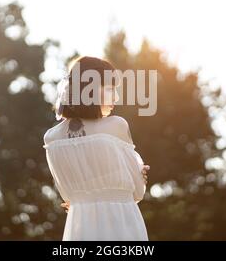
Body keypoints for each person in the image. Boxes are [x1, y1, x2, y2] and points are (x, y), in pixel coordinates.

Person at [43, 56, 150, 240]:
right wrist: (140, 173)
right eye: (109, 89)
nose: (115, 97)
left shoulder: (51, 138)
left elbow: (67, 197)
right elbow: (137, 192)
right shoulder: (116, 126)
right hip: (122, 224)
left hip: (80, 228)